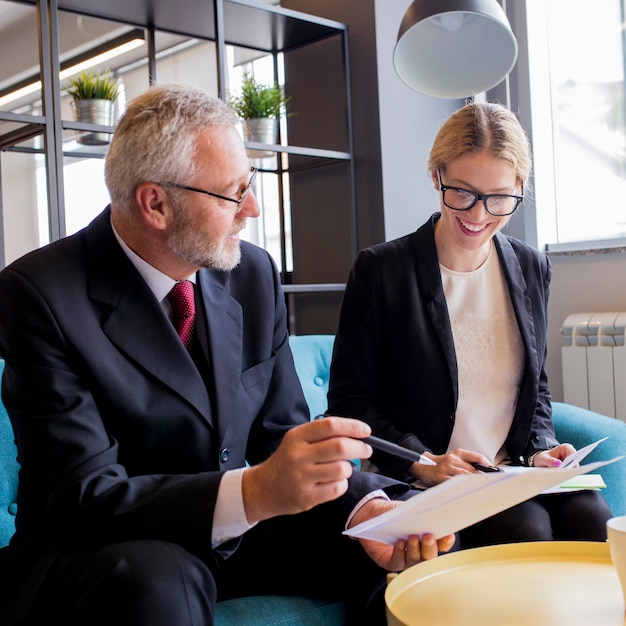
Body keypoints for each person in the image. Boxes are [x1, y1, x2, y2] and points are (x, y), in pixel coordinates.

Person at [0, 83, 454, 626]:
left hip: (231, 532)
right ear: (156, 203)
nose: (254, 209)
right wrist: (256, 491)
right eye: (233, 193)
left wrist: (370, 509)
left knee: (397, 540)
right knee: (161, 581)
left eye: (251, 183)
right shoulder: (38, 293)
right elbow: (87, 495)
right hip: (100, 547)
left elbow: (280, 432)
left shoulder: (250, 273)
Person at [327, 101, 613, 550]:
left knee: (595, 520)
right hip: (426, 476)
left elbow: (534, 386)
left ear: (520, 186)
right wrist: (423, 460)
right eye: (461, 192)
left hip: (509, 472)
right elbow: (349, 403)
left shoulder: (530, 266)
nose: (478, 215)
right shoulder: (382, 270)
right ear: (435, 175)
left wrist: (541, 448)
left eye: (499, 197)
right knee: (526, 530)